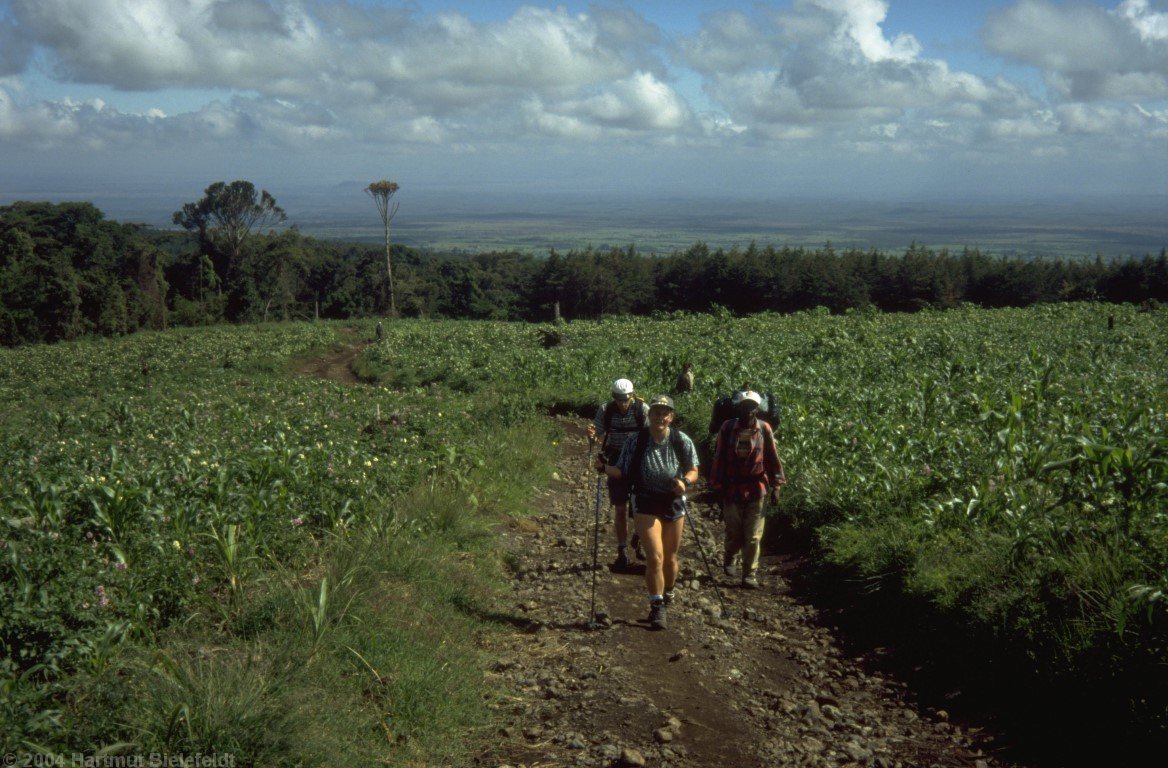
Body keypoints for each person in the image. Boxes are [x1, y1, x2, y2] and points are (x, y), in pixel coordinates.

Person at [596, 394, 699, 630]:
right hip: (644, 500)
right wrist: (603, 468)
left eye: (665, 413)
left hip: (673, 501)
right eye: (656, 412)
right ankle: (657, 605)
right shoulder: (636, 441)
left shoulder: (681, 440)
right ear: (649, 415)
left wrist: (685, 481)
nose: (660, 416)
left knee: (671, 560)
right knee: (655, 557)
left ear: (671, 417)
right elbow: (620, 470)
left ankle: (668, 592)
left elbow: (694, 469)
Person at [709, 390, 786, 589]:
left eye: (752, 407)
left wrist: (776, 486)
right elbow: (718, 458)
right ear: (739, 408)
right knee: (734, 532)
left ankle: (749, 574)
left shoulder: (764, 429)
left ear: (757, 409)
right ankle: (730, 556)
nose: (748, 411)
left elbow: (772, 458)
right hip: (731, 487)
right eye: (745, 407)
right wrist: (716, 486)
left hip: (756, 487)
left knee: (753, 536)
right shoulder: (727, 428)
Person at [587, 378, 650, 571]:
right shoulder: (606, 410)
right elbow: (597, 432)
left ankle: (638, 538)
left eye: (625, 398)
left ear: (632, 395)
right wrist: (591, 435)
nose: (622, 403)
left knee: (640, 509)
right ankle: (622, 550)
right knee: (620, 508)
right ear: (613, 397)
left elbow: (651, 435)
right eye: (618, 398)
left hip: (639, 462)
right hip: (615, 461)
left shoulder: (642, 410)